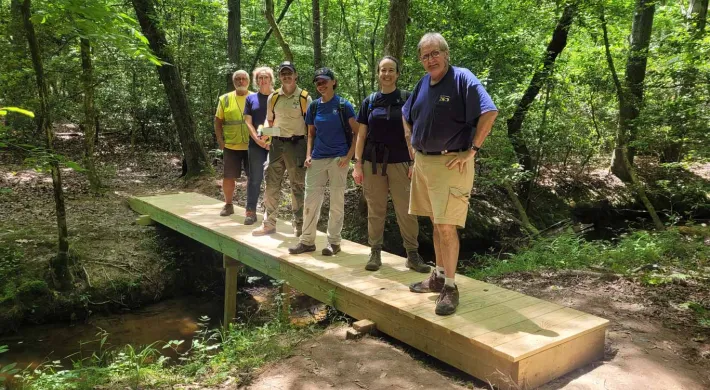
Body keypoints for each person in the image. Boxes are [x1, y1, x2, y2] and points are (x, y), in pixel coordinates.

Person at [402, 33, 498, 316]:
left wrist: (472, 150)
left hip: (450, 164)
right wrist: (410, 142)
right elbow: (405, 115)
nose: (430, 59)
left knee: (447, 227)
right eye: (425, 55)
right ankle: (438, 276)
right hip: (423, 163)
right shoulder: (423, 83)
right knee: (435, 222)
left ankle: (451, 287)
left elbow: (489, 111)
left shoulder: (462, 78)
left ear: (446, 54)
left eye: (435, 53)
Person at [352, 56, 429, 273]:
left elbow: (415, 131)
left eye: (391, 70)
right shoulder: (370, 101)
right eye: (383, 70)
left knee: (407, 210)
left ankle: (412, 254)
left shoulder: (407, 98)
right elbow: (361, 134)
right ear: (378, 73)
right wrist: (357, 164)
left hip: (402, 162)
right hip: (373, 163)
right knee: (376, 209)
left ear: (397, 73)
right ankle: (375, 251)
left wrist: (416, 161)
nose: (386, 74)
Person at [288, 68, 358, 255]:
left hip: (338, 159)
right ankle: (307, 241)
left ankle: (334, 242)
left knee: (336, 201)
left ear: (333, 82)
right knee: (310, 201)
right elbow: (311, 134)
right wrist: (308, 155)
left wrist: (349, 156)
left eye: (324, 81)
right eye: (318, 83)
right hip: (317, 158)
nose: (321, 85)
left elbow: (357, 132)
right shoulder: (314, 107)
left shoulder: (344, 105)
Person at [252, 61, 312, 237]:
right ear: (279, 77)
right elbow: (270, 122)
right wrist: (263, 132)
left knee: (298, 186)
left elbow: (311, 127)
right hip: (277, 145)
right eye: (283, 74)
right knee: (271, 184)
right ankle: (269, 223)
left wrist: (310, 151)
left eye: (289, 73)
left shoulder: (304, 98)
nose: (286, 76)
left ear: (295, 75)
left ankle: (300, 224)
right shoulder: (274, 97)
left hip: (297, 145)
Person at [215, 70, 253, 216]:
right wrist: (220, 139)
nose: (241, 81)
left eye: (244, 79)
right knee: (228, 176)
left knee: (253, 177)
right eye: (238, 79)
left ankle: (250, 207)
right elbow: (218, 121)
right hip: (231, 145)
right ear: (233, 81)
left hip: (252, 144)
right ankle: (228, 204)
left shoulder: (255, 97)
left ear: (248, 81)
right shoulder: (225, 99)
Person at [243, 66, 275, 225]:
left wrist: (269, 139)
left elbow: (283, 121)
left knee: (273, 180)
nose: (263, 80)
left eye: (266, 77)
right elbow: (248, 122)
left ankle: (269, 214)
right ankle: (250, 211)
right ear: (256, 81)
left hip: (275, 145)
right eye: (260, 78)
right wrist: (258, 139)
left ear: (271, 79)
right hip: (256, 144)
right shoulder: (251, 98)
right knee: (255, 178)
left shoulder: (277, 97)